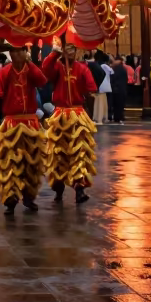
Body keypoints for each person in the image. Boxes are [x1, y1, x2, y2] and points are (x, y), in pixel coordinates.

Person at [0, 46, 48, 215]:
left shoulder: (30, 69)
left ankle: (29, 196)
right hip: (11, 122)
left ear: (26, 52)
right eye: (14, 51)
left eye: (21, 50)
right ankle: (10, 198)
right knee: (10, 162)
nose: (17, 54)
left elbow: (42, 81)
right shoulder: (5, 71)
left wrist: (31, 65)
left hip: (30, 121)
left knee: (32, 163)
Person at [42, 41, 98, 204]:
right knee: (57, 153)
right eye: (67, 49)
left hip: (78, 112)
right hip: (60, 113)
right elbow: (45, 72)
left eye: (72, 49)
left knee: (79, 152)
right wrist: (54, 55)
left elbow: (91, 87)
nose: (70, 52)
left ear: (77, 51)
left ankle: (79, 188)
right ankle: (58, 188)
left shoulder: (82, 68)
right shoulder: (58, 66)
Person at [91, 52, 111, 124]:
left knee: (98, 104)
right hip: (103, 87)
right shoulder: (105, 66)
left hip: (99, 87)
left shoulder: (99, 66)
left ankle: (98, 119)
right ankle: (103, 117)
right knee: (103, 103)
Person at [110, 55, 129, 124]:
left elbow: (113, 79)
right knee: (120, 104)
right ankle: (119, 117)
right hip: (122, 89)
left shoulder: (117, 69)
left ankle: (118, 117)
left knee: (117, 104)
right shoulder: (122, 68)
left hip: (117, 89)